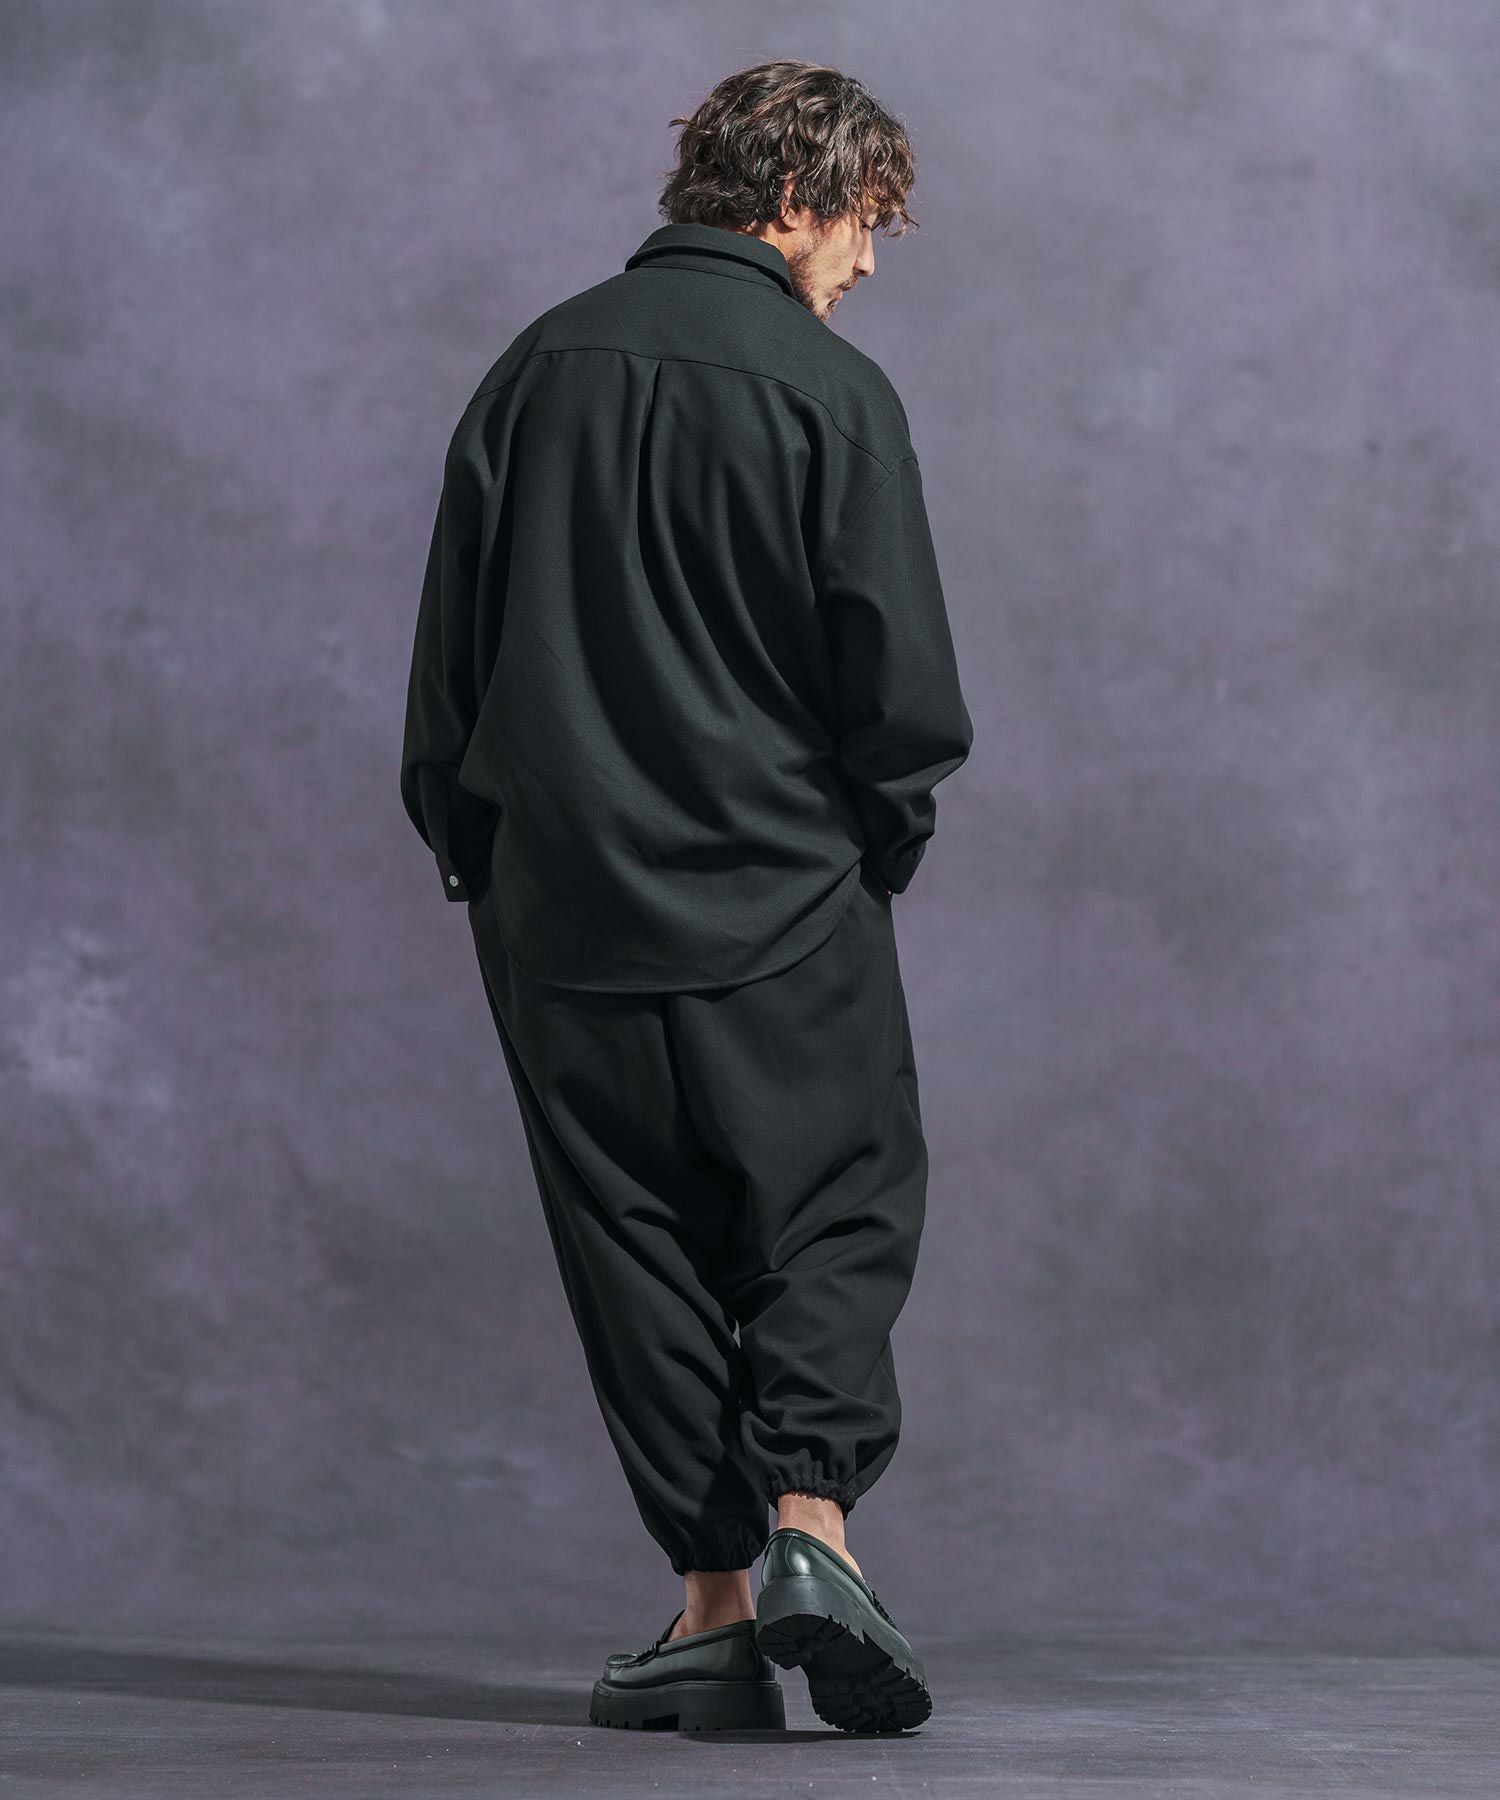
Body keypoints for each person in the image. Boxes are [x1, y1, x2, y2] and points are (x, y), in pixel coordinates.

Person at [400, 58, 973, 1735]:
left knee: (631, 1242)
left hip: (561, 906)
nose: (867, 262)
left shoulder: (536, 369)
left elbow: (449, 660)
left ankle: (713, 1615)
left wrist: (478, 851)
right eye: (866, 224)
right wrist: (878, 842)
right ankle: (812, 1532)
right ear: (796, 196)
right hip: (785, 895)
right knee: (832, 1207)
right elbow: (900, 690)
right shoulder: (831, 394)